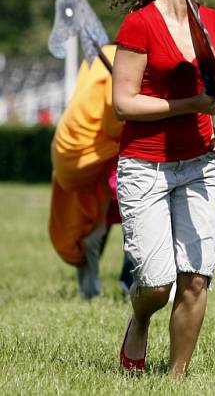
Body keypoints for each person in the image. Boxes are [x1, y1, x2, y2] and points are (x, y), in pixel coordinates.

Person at [77, 0, 215, 376]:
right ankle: (139, 321)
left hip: (199, 165)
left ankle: (176, 377)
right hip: (144, 166)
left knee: (195, 279)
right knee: (156, 282)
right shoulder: (140, 24)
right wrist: (193, 106)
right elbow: (125, 104)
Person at [49, 44, 134, 298]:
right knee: (137, 212)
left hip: (70, 148)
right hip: (101, 148)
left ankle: (90, 290)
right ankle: (131, 282)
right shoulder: (125, 57)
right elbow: (113, 119)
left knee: (91, 221)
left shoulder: (99, 55)